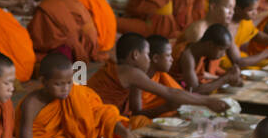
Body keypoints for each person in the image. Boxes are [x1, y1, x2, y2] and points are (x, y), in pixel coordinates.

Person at [89, 32, 226, 125]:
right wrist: (207, 101)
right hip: (93, 117)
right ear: (135, 55)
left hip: (106, 116)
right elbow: (170, 92)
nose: (149, 60)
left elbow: (136, 111)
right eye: (147, 55)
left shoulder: (129, 73)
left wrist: (166, 107)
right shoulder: (130, 72)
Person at [18, 51, 135, 138]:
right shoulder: (31, 105)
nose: (66, 88)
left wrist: (124, 132)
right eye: (58, 84)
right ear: (43, 81)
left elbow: (102, 113)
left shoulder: (75, 93)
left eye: (69, 82)